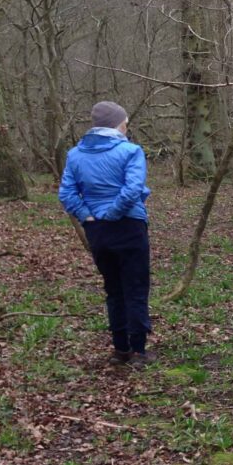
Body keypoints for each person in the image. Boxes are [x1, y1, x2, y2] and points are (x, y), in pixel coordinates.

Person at [58, 101, 155, 367]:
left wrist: (88, 215)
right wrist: (113, 213)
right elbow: (133, 189)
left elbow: (66, 193)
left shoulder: (75, 155)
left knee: (113, 289)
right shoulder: (131, 151)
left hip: (97, 230)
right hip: (129, 225)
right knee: (135, 287)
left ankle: (120, 350)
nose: (127, 127)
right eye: (125, 123)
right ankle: (139, 351)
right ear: (118, 123)